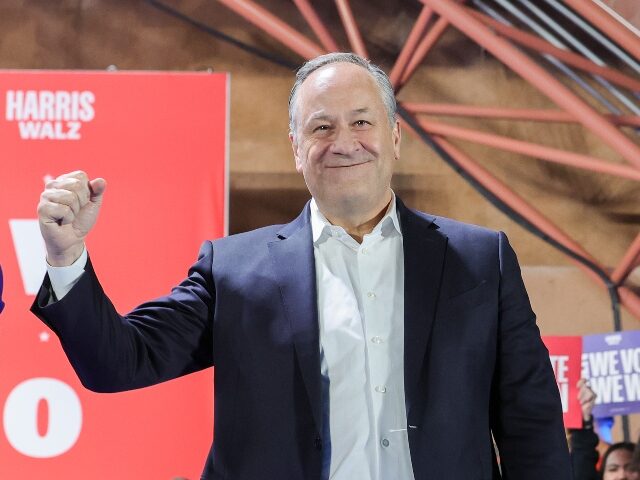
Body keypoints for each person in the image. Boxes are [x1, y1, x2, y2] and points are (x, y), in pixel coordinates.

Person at [31, 52, 571, 479]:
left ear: (395, 137)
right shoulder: (234, 270)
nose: (344, 143)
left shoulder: (482, 259)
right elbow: (121, 362)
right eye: (321, 128)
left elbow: (532, 423)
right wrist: (66, 257)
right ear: (295, 148)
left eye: (362, 121)